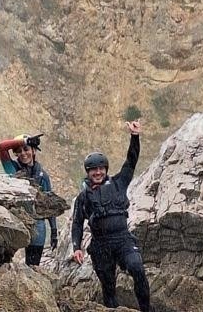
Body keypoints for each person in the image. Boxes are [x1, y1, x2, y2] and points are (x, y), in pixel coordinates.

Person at [71, 121, 152, 311]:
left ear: (106, 169)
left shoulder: (119, 182)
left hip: (123, 239)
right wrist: (77, 247)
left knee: (137, 268)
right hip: (101, 244)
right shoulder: (83, 197)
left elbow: (131, 160)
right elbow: (76, 223)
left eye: (101, 168)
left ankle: (147, 309)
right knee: (108, 289)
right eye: (93, 169)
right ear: (88, 172)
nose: (98, 172)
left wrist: (135, 137)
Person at [0, 133, 58, 266]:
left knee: (32, 266)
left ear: (34, 150)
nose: (23, 153)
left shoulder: (43, 176)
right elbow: (2, 147)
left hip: (37, 223)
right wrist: (25, 141)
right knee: (3, 263)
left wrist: (54, 231)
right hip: (14, 221)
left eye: (26, 149)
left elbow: (49, 205)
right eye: (18, 151)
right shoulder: (12, 169)